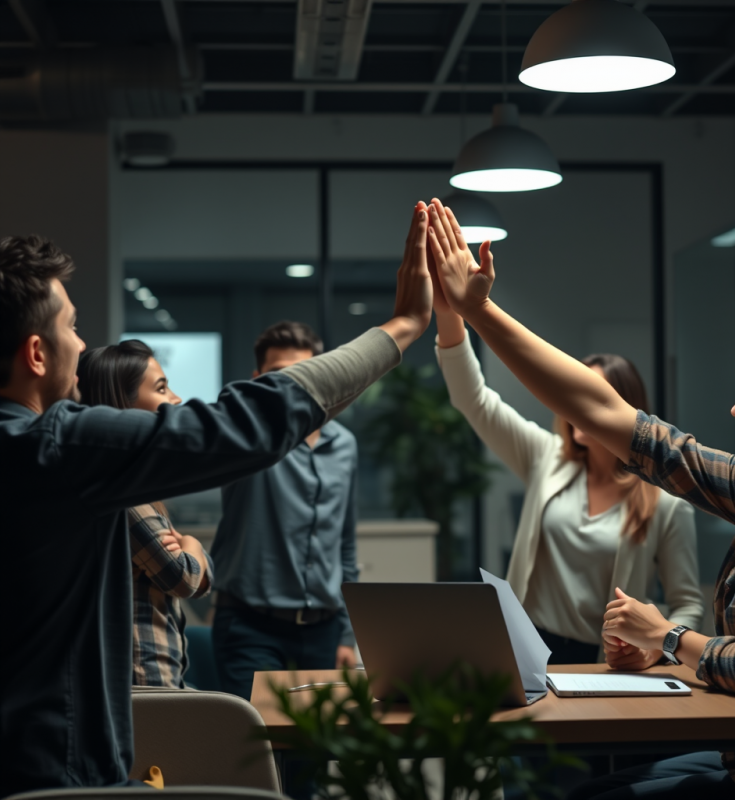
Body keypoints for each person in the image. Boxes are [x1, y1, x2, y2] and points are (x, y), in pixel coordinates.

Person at [0, 202, 432, 798]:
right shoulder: (57, 448)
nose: (82, 343)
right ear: (37, 353)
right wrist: (403, 326)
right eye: (72, 326)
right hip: (55, 777)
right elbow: (242, 424)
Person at [426, 196, 735, 799]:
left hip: (725, 745)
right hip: (548, 668)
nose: (734, 408)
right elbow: (595, 413)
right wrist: (472, 313)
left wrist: (664, 640)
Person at [434, 302, 703, 664]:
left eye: (591, 395)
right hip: (526, 650)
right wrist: (449, 310)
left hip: (603, 663)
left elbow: (688, 604)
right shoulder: (548, 458)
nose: (577, 405)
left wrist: (655, 650)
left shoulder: (665, 503)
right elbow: (474, 399)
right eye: (573, 392)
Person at [211, 320, 359, 699]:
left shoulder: (344, 445)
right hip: (250, 627)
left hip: (324, 632)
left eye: (305, 373)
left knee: (315, 756)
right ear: (258, 379)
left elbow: (344, 545)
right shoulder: (247, 435)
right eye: (279, 376)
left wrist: (345, 632)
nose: (294, 385)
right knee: (256, 755)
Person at [77, 339, 214, 688]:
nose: (177, 399)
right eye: (162, 388)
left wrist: (190, 557)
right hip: (145, 684)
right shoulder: (123, 496)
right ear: (123, 405)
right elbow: (183, 578)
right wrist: (193, 545)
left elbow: (201, 582)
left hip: (156, 682)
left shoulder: (134, 488)